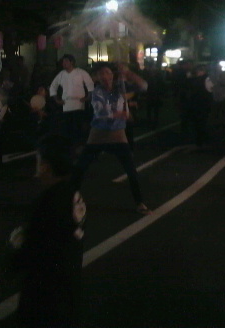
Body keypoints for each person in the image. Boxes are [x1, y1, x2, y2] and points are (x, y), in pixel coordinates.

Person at [9, 133, 86, 328]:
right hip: (69, 280)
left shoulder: (47, 202)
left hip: (45, 290)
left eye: (39, 159)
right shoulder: (73, 194)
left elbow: (34, 250)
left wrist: (18, 247)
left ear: (46, 166)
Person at [72, 62, 151, 215]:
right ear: (96, 78)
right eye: (101, 74)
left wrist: (128, 72)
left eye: (108, 73)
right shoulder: (96, 92)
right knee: (80, 169)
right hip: (98, 135)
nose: (105, 76)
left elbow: (144, 86)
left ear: (112, 75)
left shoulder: (121, 87)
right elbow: (101, 113)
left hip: (118, 135)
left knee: (131, 170)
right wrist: (122, 113)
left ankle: (140, 203)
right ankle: (68, 199)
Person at [49, 54, 95, 150]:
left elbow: (90, 84)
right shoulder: (61, 74)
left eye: (66, 61)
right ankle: (69, 147)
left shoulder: (80, 72)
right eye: (63, 62)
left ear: (72, 62)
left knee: (78, 126)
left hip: (79, 103)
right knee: (68, 126)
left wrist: (88, 97)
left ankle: (79, 146)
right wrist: (57, 100)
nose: (64, 63)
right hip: (67, 103)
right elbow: (53, 86)